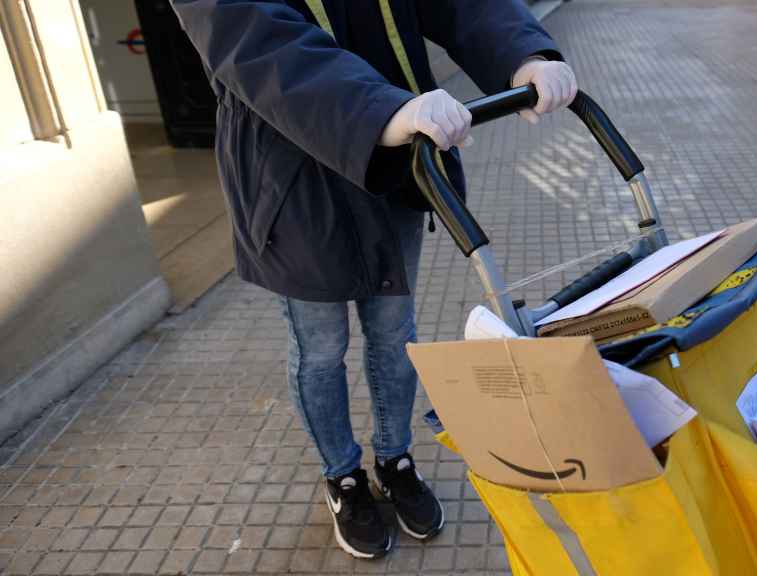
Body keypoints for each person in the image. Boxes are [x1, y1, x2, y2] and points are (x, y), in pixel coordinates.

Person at [171, 0, 577, 559]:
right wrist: (379, 109)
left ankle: (394, 459)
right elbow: (254, 37)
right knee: (320, 348)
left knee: (394, 332)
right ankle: (342, 475)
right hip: (292, 181)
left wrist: (522, 51)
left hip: (395, 156)